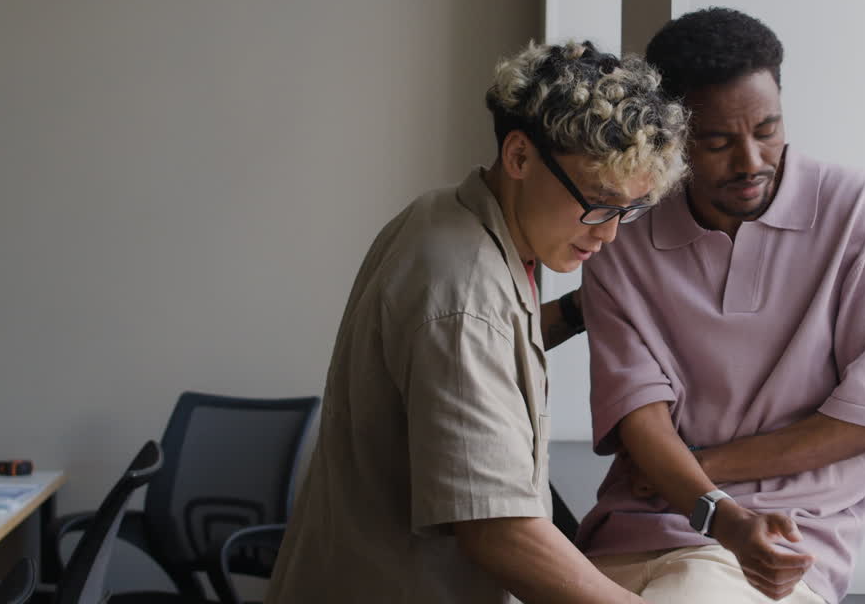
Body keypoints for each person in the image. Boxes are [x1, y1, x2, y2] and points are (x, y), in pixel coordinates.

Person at [265, 40, 689, 604]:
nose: (609, 232)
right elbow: (501, 531)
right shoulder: (464, 292)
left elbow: (481, 347)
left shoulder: (441, 216)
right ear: (519, 157)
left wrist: (574, 313)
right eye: (598, 201)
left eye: (629, 211)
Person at [576, 8, 865, 604]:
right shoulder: (622, 232)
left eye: (767, 130)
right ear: (670, 135)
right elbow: (641, 420)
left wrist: (703, 470)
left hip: (784, 538)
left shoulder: (851, 209)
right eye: (716, 142)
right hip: (639, 532)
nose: (751, 162)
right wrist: (693, 492)